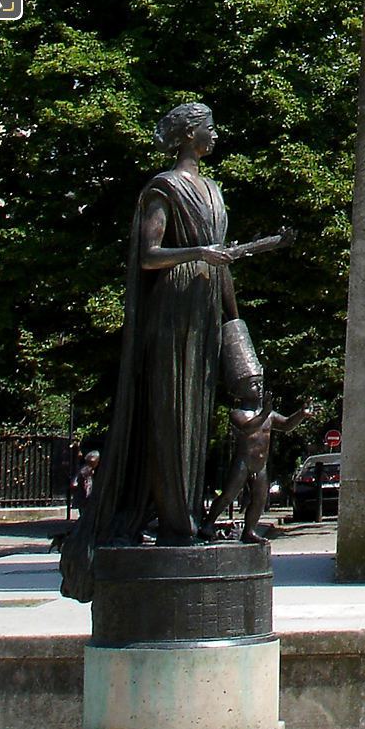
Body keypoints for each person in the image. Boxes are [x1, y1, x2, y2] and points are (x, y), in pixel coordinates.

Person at [60, 102, 288, 602]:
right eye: (208, 127)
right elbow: (149, 254)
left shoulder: (213, 190)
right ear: (188, 134)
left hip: (204, 308)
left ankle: (190, 517)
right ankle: (175, 521)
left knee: (197, 417)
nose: (215, 134)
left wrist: (234, 322)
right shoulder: (164, 187)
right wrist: (199, 254)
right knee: (171, 414)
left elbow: (222, 263)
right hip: (173, 309)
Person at [199, 376, 313, 544]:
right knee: (229, 495)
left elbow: (287, 425)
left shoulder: (270, 416)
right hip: (243, 461)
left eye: (260, 384)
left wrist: (301, 414)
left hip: (260, 464)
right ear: (241, 391)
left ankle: (249, 530)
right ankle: (208, 523)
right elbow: (247, 427)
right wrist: (265, 413)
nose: (259, 388)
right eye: (254, 385)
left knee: (260, 498)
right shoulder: (237, 413)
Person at [71, 450, 100, 516]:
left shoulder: (85, 468)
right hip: (84, 496)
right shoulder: (87, 470)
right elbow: (87, 484)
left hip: (82, 495)